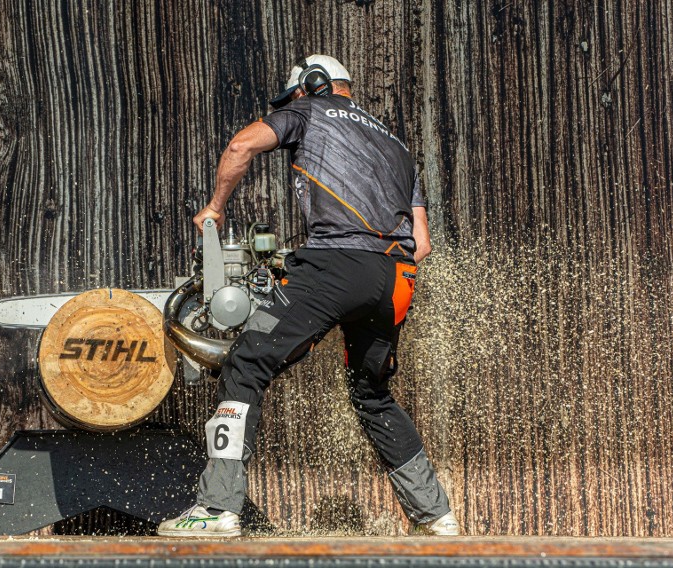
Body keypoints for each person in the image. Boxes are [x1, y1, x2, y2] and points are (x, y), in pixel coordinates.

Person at [158, 55, 459, 537]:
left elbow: (241, 146)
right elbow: (421, 244)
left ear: (313, 86)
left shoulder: (309, 110)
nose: (293, 103)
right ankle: (436, 517)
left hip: (334, 265)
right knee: (373, 394)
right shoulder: (397, 146)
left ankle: (216, 509)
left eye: (295, 94)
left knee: (246, 362)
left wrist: (213, 210)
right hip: (396, 279)